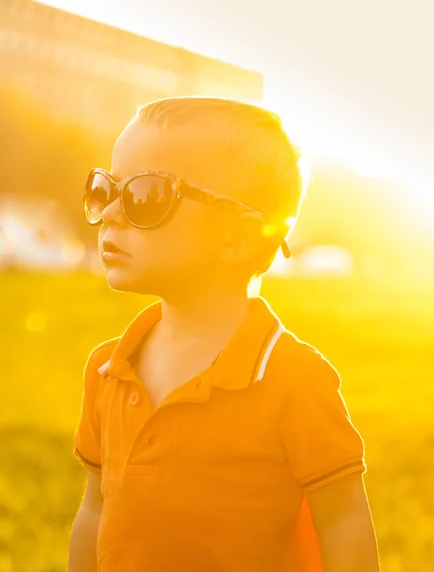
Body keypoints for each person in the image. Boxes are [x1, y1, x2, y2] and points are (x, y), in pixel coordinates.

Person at [67, 96, 380, 572]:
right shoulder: (109, 368)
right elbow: (95, 509)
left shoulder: (293, 378)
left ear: (236, 237)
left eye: (144, 196)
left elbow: (342, 520)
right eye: (104, 189)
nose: (111, 213)